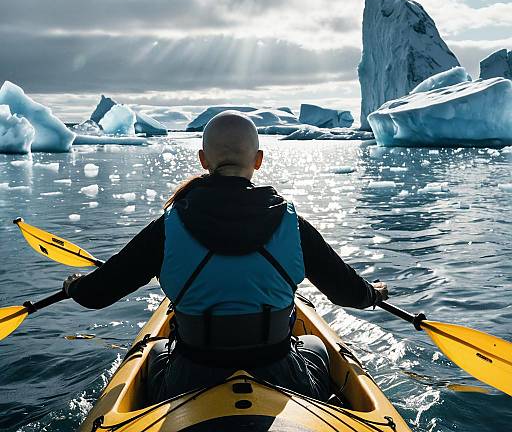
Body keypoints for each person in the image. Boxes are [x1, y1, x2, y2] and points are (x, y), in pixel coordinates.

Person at [64, 111, 388, 403]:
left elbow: (99, 294)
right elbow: (348, 293)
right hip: (279, 372)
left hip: (191, 377)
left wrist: (74, 286)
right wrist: (373, 293)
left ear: (203, 160)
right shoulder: (293, 224)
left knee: (156, 352)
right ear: (258, 159)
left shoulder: (168, 226)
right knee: (317, 348)